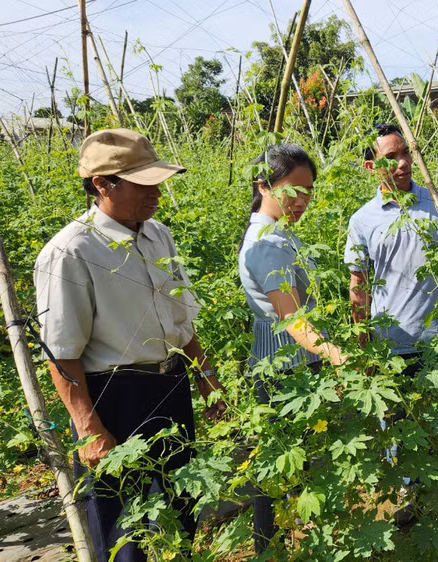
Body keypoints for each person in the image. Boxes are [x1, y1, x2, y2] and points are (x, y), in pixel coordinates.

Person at [33, 128, 226, 561]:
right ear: (102, 184)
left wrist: (207, 380)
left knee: (181, 508)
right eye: (144, 183)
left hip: (170, 387)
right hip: (112, 397)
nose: (156, 192)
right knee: (125, 529)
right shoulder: (70, 251)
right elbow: (62, 354)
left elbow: (182, 321)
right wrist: (89, 428)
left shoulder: (157, 233)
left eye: (157, 180)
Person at [238, 144, 347, 553]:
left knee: (289, 464)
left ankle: (288, 544)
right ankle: (269, 547)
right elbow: (292, 319)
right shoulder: (267, 243)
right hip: (284, 371)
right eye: (293, 190)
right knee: (279, 467)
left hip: (291, 364)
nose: (302, 200)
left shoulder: (278, 234)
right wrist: (336, 353)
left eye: (308, 191)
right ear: (263, 185)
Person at [344, 123, 438, 361]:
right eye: (391, 157)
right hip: (388, 348)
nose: (403, 162)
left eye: (406, 152)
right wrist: (365, 351)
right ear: (371, 167)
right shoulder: (362, 220)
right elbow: (359, 287)